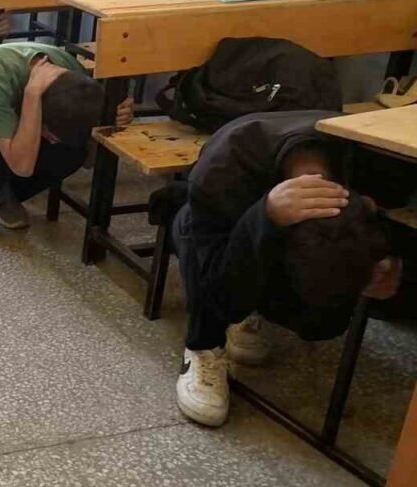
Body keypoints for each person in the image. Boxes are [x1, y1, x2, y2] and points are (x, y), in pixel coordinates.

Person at [172, 110, 404, 427]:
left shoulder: (377, 164)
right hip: (212, 211)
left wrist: (390, 259)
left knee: (324, 321)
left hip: (307, 155)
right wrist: (261, 218)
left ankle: (252, 307)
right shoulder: (222, 169)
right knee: (211, 269)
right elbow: (220, 293)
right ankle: (203, 347)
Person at [0, 42, 134, 235]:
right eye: (49, 133)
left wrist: (114, 117)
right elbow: (22, 167)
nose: (52, 141)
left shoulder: (72, 76)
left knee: (73, 151)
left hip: (12, 126)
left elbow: (88, 160)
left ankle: (3, 190)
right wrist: (32, 94)